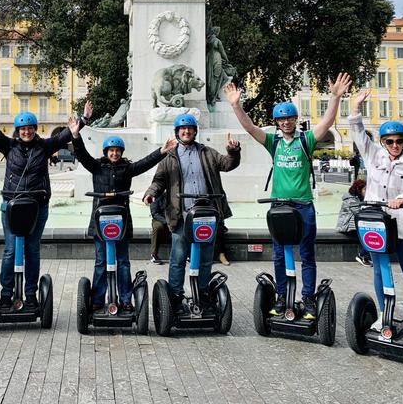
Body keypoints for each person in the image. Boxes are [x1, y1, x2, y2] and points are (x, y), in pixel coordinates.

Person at [225, 73, 352, 320]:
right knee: (280, 253)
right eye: (281, 119)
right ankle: (282, 297)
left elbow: (326, 123)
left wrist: (335, 98)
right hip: (280, 208)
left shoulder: (306, 140)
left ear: (296, 119)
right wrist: (235, 106)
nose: (285, 122)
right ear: (276, 122)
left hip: (304, 205)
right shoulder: (273, 142)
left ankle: (308, 298)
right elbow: (250, 128)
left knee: (307, 254)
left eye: (289, 118)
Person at [0, 92, 91, 309]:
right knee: (10, 250)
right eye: (23, 129)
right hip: (11, 206)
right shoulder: (8, 146)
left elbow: (65, 136)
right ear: (18, 131)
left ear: (35, 129)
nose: (27, 131)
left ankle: (31, 293)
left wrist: (83, 120)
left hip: (37, 206)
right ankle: (6, 295)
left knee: (32, 249)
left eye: (30, 128)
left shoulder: (44, 147)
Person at [69, 111, 175, 312]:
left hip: (122, 222)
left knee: (123, 262)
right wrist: (75, 135)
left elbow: (143, 164)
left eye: (117, 151)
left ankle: (126, 298)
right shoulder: (97, 167)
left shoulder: (127, 168)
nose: (114, 154)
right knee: (101, 262)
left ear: (121, 152)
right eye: (111, 151)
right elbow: (82, 155)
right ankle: (98, 299)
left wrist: (161, 151)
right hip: (100, 223)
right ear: (106, 152)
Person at [143, 114, 241, 313]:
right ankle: (176, 296)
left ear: (195, 131)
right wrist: (151, 193)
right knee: (178, 258)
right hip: (181, 215)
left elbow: (228, 164)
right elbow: (159, 180)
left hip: (206, 214)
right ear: (177, 132)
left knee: (205, 257)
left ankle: (202, 294)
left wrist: (233, 151)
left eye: (190, 129)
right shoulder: (169, 156)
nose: (186, 132)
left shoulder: (206, 152)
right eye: (182, 129)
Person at [350, 89, 403, 338]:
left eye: (399, 141)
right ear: (383, 142)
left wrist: (402, 199)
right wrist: (355, 108)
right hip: (376, 223)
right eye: (389, 141)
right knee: (379, 268)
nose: (395, 145)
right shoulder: (373, 155)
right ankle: (384, 314)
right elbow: (359, 134)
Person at [336, 179, 371, 267]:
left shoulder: (360, 198)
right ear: (358, 189)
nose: (366, 191)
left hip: (356, 224)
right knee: (367, 234)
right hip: (347, 225)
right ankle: (362, 255)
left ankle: (365, 255)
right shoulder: (350, 199)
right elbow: (358, 213)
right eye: (365, 189)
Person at [149, 193, 170, 264]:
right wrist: (166, 222)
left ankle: (187, 254)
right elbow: (155, 213)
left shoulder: (174, 196)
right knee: (157, 227)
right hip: (159, 220)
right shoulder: (155, 196)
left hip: (173, 219)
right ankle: (154, 254)